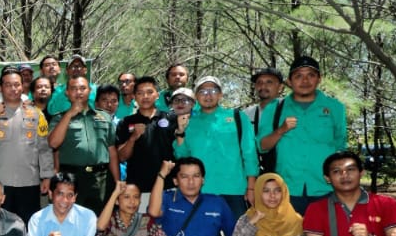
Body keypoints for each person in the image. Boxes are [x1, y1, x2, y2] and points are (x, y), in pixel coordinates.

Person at [260, 56, 347, 213]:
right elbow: (262, 146)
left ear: (319, 79)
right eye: (298, 76)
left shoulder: (335, 107)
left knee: (327, 229)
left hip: (325, 188)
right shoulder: (274, 108)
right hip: (286, 189)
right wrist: (280, 130)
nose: (305, 80)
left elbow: (340, 147)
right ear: (290, 81)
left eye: (311, 75)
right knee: (289, 230)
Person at [173, 76, 258, 217]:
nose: (208, 95)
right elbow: (181, 157)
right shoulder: (189, 121)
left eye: (212, 90)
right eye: (202, 91)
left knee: (238, 231)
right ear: (196, 96)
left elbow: (249, 153)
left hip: (234, 189)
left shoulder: (237, 117)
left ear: (220, 94)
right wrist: (181, 131)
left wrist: (251, 187)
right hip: (200, 190)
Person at [0, 67, 53, 219]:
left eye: (17, 84)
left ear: (22, 86)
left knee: (27, 225)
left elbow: (44, 148)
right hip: (0, 184)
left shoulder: (35, 113)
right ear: (1, 88)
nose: (13, 89)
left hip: (29, 182)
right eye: (8, 85)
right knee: (1, 226)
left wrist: (47, 176)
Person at [48, 75, 119, 213]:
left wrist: (117, 182)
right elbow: (53, 143)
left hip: (100, 178)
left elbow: (112, 151)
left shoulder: (104, 117)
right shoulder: (59, 118)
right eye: (74, 89)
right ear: (67, 93)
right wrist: (69, 114)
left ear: (90, 91)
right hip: (71, 178)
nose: (78, 92)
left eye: (82, 88)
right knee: (69, 217)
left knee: (99, 218)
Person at [117, 77, 175, 194]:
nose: (145, 96)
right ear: (134, 96)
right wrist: (133, 138)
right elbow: (122, 157)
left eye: (149, 92)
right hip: (138, 188)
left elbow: (180, 151)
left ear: (157, 95)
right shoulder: (126, 122)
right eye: (140, 93)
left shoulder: (171, 119)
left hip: (167, 186)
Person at [244, 67, 284, 174]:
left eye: (269, 82)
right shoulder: (247, 114)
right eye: (259, 83)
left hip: (288, 173)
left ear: (280, 87)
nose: (263, 86)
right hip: (257, 173)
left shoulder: (290, 109)